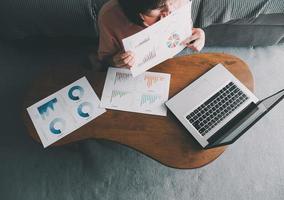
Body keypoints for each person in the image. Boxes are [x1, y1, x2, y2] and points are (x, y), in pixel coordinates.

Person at [97, 0, 205, 68]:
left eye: (172, 1)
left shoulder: (181, 2)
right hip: (133, 74)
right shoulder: (109, 16)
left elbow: (185, 32)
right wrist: (116, 62)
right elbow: (105, 59)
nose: (170, 9)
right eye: (160, 6)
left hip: (172, 63)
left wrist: (199, 34)